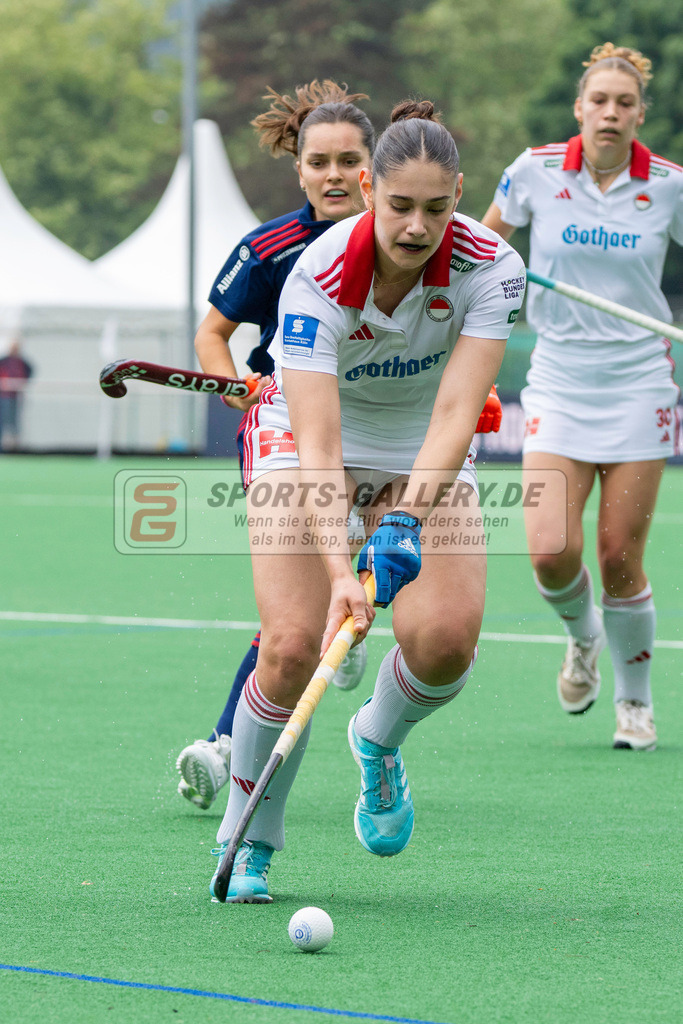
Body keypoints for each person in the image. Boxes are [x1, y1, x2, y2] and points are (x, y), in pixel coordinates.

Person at [209, 100, 525, 902]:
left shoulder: (492, 269)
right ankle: (250, 839)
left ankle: (376, 740)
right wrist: (340, 568)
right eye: (398, 206)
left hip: (419, 442)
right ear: (366, 187)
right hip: (311, 432)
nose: (416, 227)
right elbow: (316, 446)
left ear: (458, 194)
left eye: (436, 207)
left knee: (446, 641)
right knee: (289, 646)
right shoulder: (315, 275)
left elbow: (458, 413)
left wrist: (406, 520)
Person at [175, 81, 377, 811]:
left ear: (371, 167)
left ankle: (337, 634)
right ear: (298, 169)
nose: (332, 175)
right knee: (290, 622)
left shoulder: (405, 243)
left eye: (347, 159)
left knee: (357, 585)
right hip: (284, 426)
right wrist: (235, 387)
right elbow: (211, 335)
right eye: (317, 161)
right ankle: (228, 744)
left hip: (379, 423)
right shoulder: (268, 248)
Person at [482, 42, 682, 751]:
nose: (609, 113)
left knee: (618, 557)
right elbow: (481, 245)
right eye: (598, 100)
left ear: (637, 114)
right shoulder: (533, 171)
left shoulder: (667, 185)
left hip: (638, 385)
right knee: (548, 550)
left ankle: (634, 703)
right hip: (559, 385)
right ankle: (582, 637)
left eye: (623, 103)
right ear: (579, 108)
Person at [0, 338, 33, 451]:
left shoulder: (22, 362)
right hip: (4, 396)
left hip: (16, 396)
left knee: (15, 422)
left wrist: (23, 382)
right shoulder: (4, 361)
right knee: (3, 421)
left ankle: (15, 447)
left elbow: (30, 370)